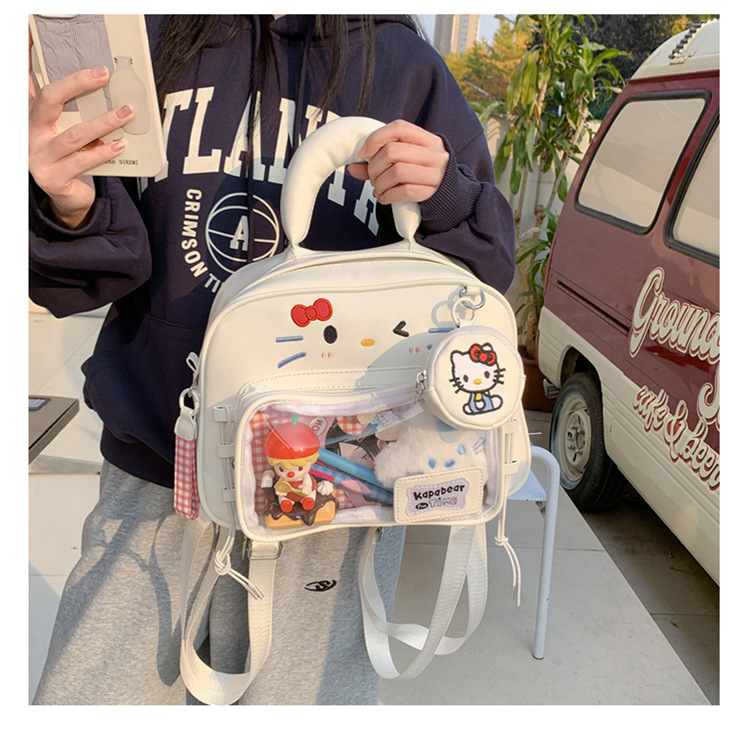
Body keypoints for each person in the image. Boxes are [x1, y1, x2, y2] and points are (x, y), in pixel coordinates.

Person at [29, 15, 515, 705]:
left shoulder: (401, 64)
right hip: (163, 477)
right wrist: (68, 203)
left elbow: (484, 276)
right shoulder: (153, 39)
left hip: (338, 492)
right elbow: (89, 275)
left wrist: (447, 195)